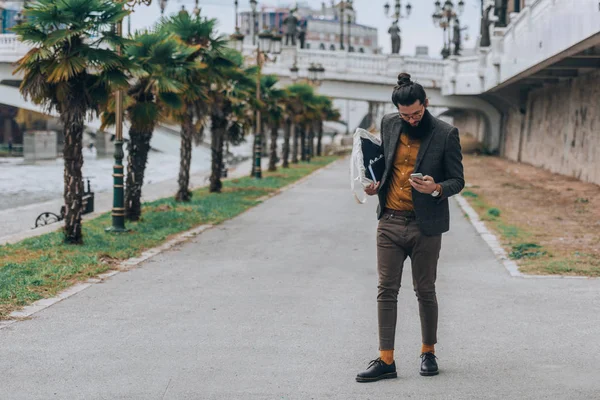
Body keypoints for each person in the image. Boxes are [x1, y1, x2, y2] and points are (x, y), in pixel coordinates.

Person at [356, 73, 464, 382]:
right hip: (389, 221)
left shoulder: (446, 133)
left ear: (426, 104)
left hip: (425, 226)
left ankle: (428, 352)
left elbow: (458, 180)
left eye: (416, 113)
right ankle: (385, 360)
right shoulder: (390, 124)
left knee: (425, 290)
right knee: (386, 291)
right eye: (406, 115)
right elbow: (387, 164)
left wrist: (435, 187)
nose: (412, 119)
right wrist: (375, 183)